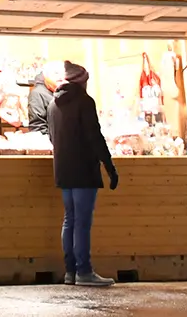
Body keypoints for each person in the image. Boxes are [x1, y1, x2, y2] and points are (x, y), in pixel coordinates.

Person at [50, 60, 118, 286]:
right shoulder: (84, 102)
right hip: (83, 170)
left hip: (63, 169)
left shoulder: (53, 104)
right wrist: (109, 166)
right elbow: (95, 136)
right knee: (82, 223)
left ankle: (70, 271)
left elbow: (52, 137)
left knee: (69, 220)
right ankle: (84, 271)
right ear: (82, 80)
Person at [28, 61, 64, 137]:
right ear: (46, 76)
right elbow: (37, 127)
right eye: (56, 73)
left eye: (63, 74)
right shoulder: (38, 94)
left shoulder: (63, 91)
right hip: (52, 145)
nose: (60, 77)